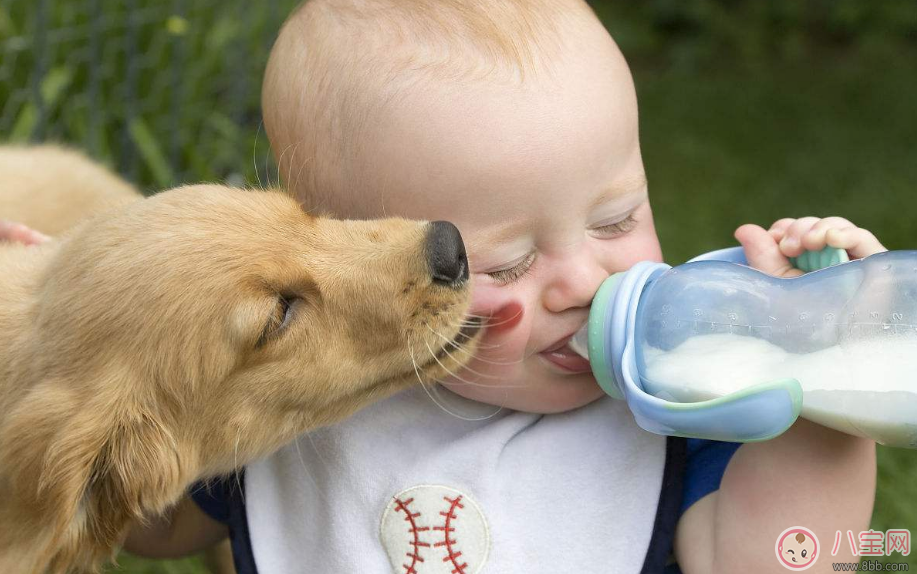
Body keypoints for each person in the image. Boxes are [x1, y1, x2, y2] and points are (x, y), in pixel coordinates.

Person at [118, 0, 880, 571]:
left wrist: (814, 376)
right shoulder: (302, 403)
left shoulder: (683, 397)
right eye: (506, 265)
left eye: (616, 219)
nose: (583, 280)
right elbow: (154, 526)